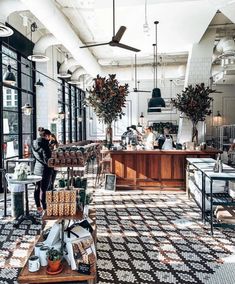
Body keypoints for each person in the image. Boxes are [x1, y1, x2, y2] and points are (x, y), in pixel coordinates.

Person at [32, 128, 52, 213]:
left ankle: (38, 206)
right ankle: (45, 207)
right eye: (49, 136)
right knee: (44, 189)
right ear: (46, 136)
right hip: (45, 170)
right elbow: (47, 159)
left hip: (37, 169)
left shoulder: (35, 143)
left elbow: (39, 157)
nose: (50, 138)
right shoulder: (44, 145)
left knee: (37, 188)